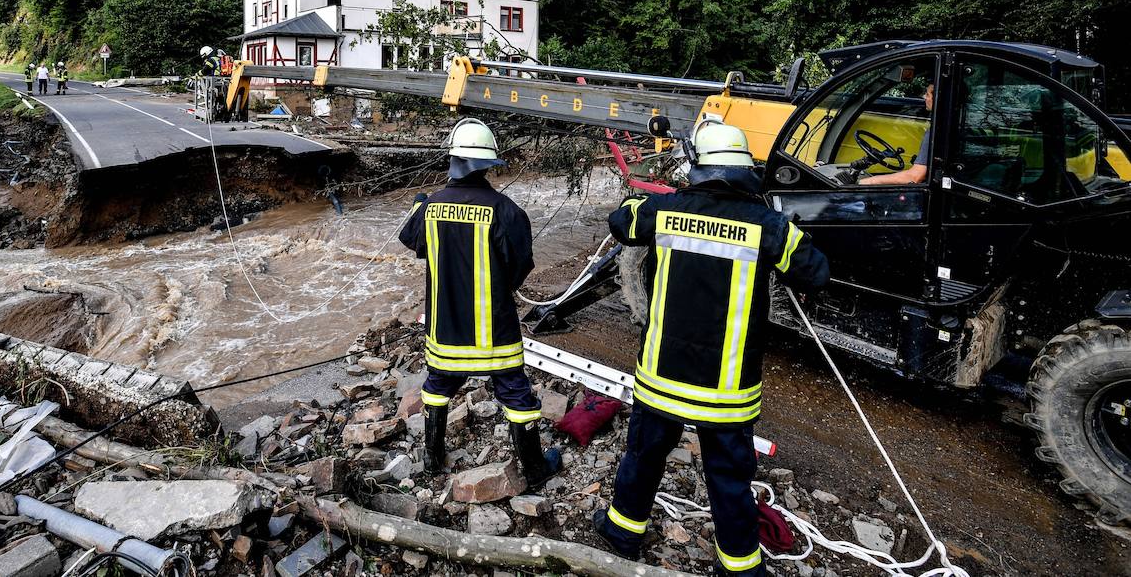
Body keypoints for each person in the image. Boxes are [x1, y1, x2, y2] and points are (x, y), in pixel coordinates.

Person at [594, 119, 830, 573]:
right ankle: (740, 565)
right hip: (726, 391)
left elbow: (621, 221)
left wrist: (652, 198)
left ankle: (622, 534)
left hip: (661, 378)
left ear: (698, 168)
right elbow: (815, 271)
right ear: (745, 170)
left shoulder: (663, 211)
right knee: (728, 479)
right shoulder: (769, 225)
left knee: (643, 458)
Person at [398, 118, 562, 491]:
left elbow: (412, 240)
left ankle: (433, 457)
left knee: (437, 387)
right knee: (516, 394)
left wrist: (418, 205)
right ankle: (535, 469)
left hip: (445, 332)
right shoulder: (507, 211)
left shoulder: (432, 207)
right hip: (496, 333)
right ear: (489, 164)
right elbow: (521, 267)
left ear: (453, 159)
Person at [860, 82, 933, 186]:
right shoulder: (944, 127)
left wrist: (871, 181)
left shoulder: (934, 133)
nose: (924, 97)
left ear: (938, 99)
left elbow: (914, 177)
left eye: (928, 94)